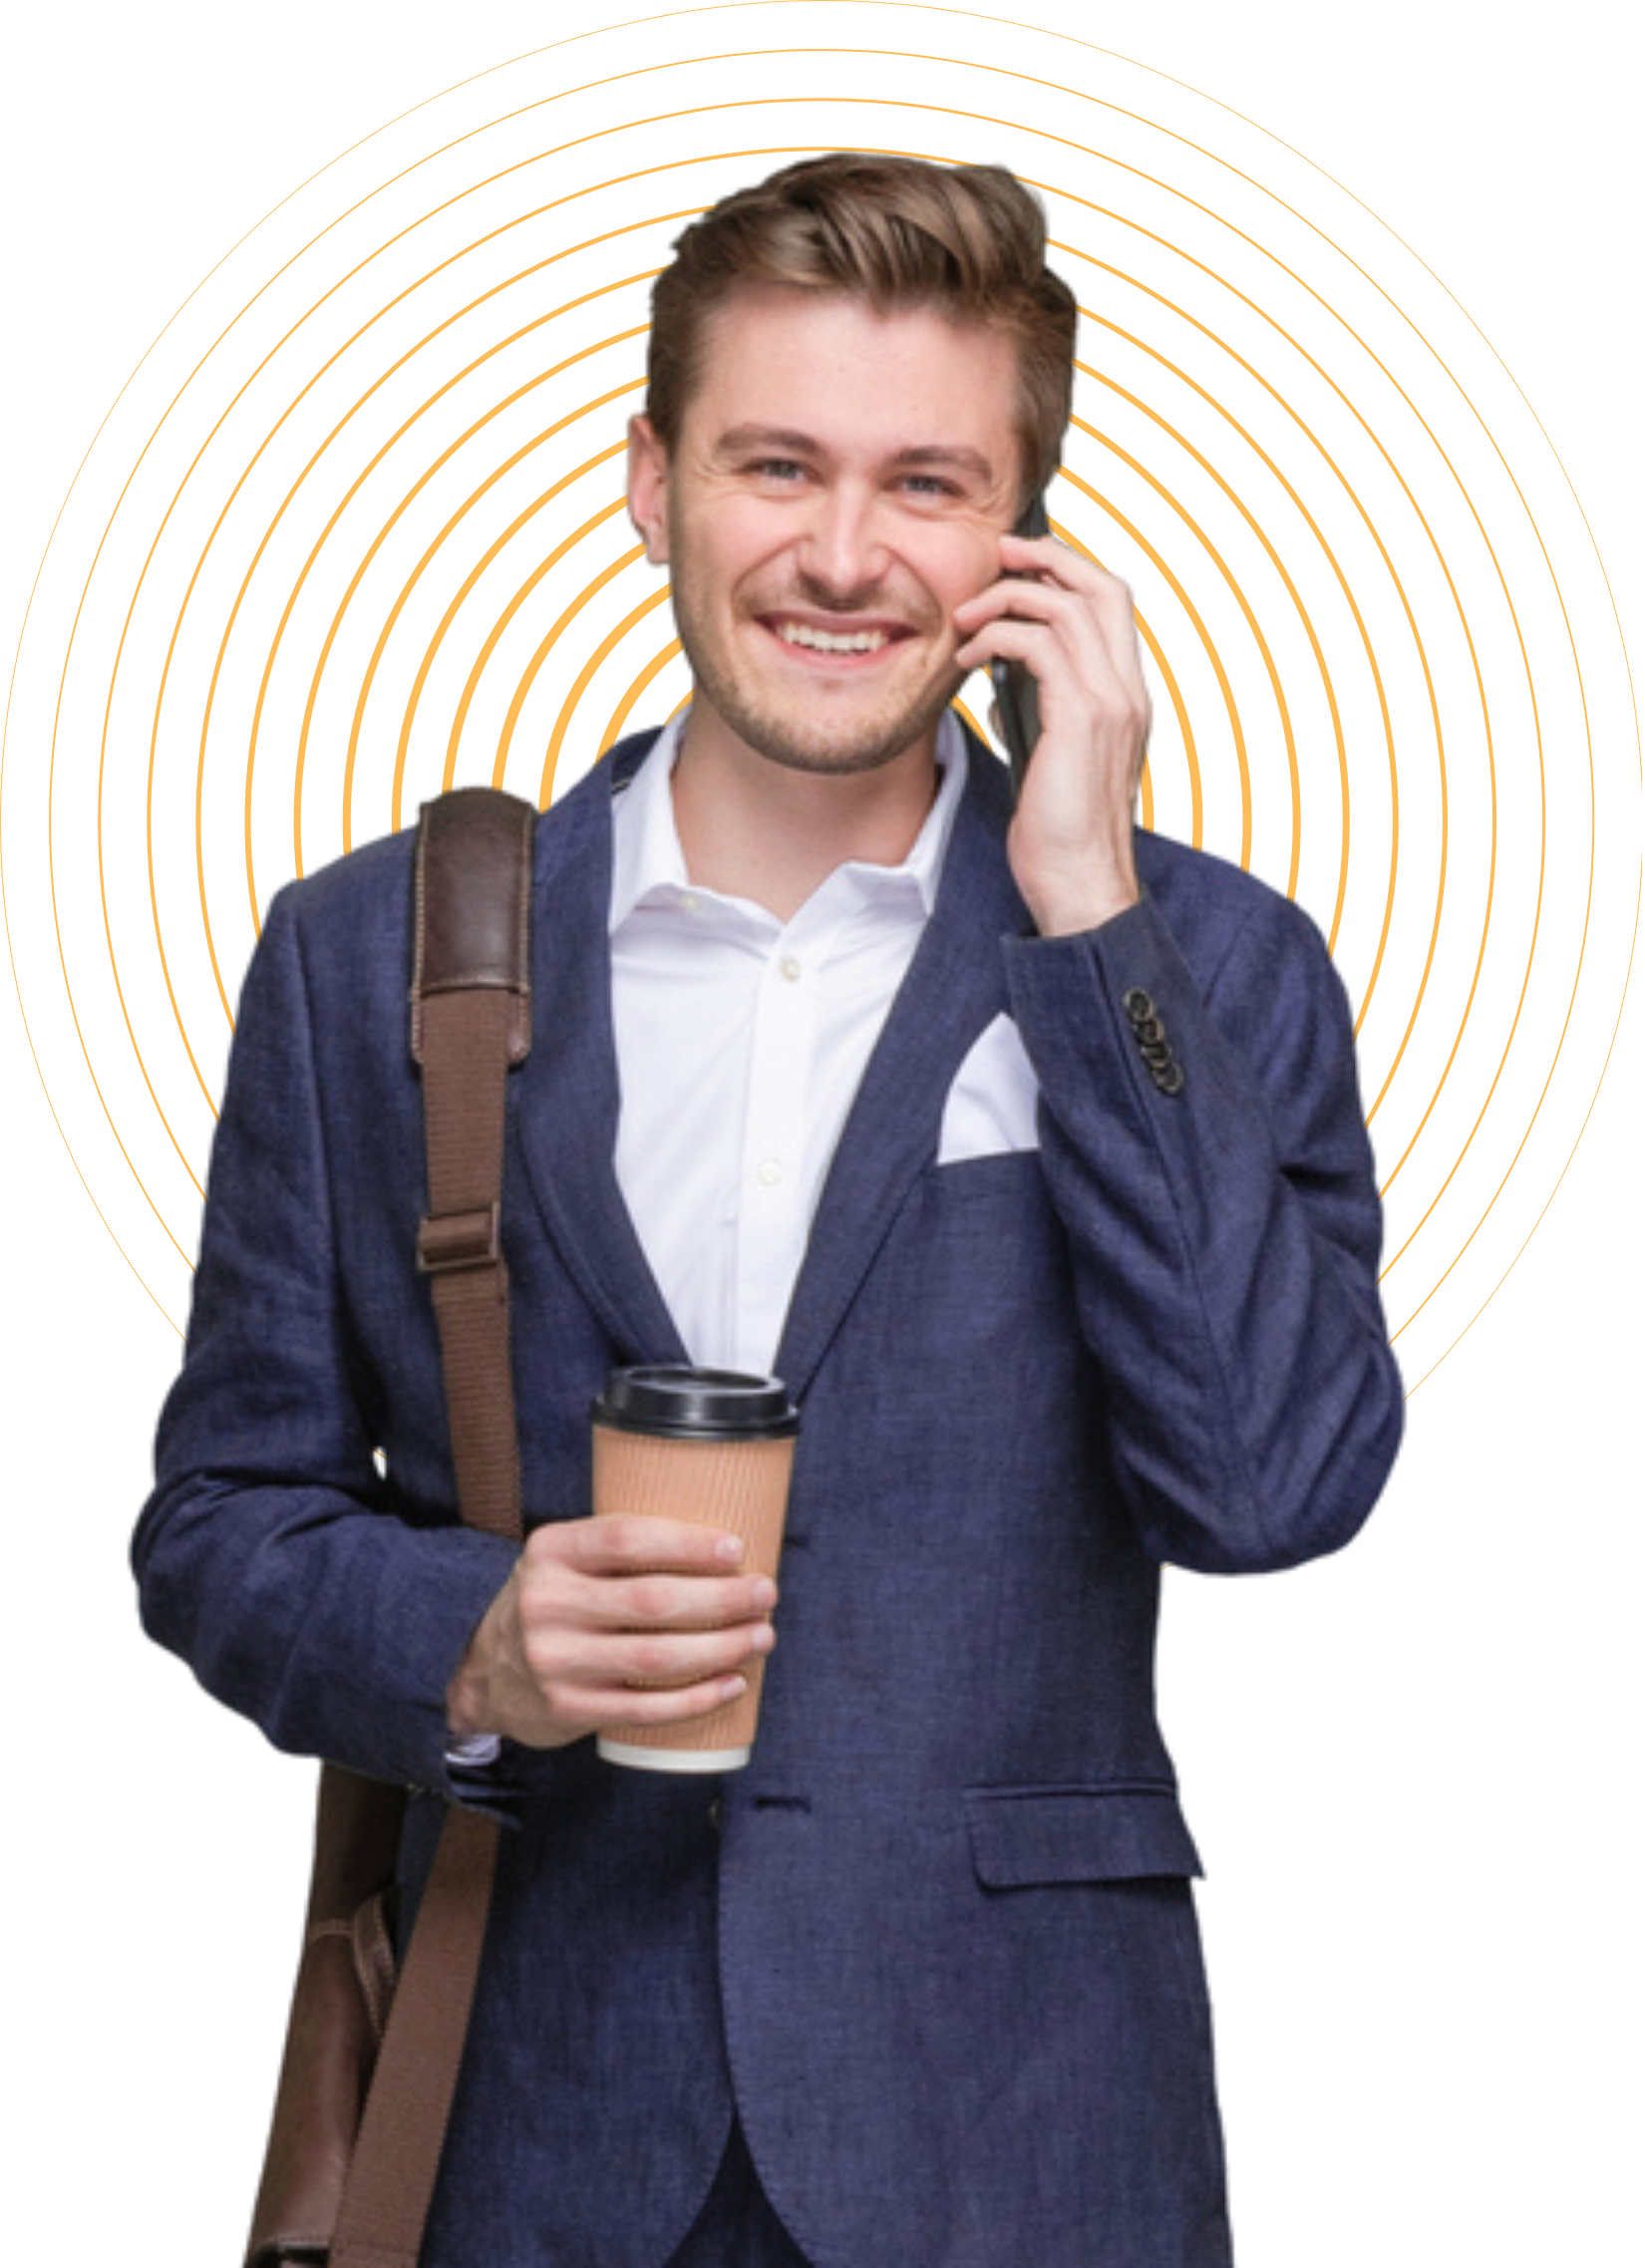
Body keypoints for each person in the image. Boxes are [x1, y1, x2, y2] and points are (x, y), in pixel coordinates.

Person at [131, 153, 1407, 2268]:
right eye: (775, 464)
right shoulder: (372, 956)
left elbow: (1271, 1492)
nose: (840, 554)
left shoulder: (1208, 960)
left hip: (1026, 2144)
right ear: (650, 487)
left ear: (1022, 535)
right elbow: (217, 1523)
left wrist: (1088, 914)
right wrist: (479, 1637)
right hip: (532, 2135)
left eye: (925, 483)